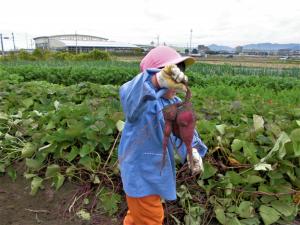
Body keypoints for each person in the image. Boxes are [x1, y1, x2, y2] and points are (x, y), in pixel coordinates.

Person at [118, 46, 207, 225]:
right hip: (139, 172)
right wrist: (156, 81)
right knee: (151, 218)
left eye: (180, 74)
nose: (178, 81)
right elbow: (129, 95)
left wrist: (193, 150)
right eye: (172, 74)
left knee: (138, 216)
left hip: (156, 172)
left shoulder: (173, 103)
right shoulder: (142, 102)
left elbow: (184, 131)